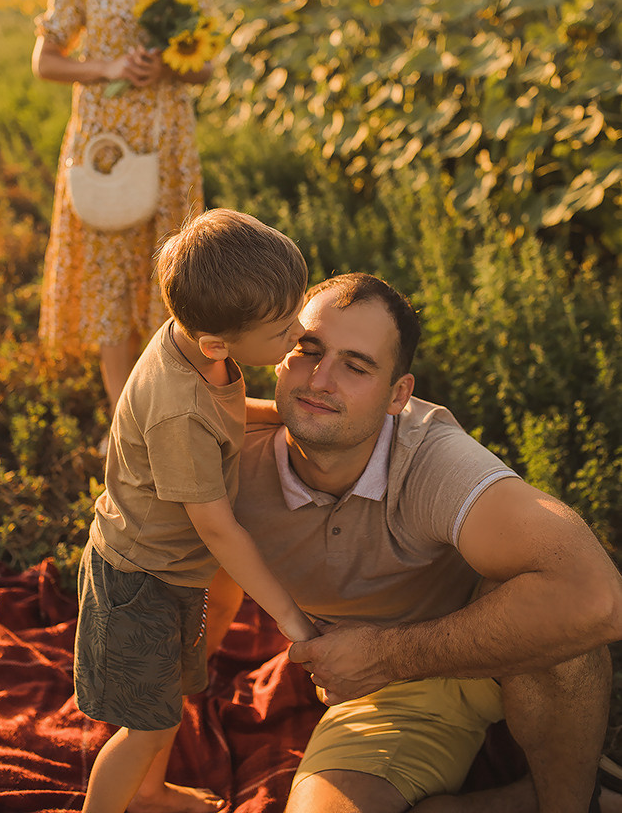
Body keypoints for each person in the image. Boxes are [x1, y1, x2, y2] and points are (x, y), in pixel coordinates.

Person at [215, 271, 622, 813]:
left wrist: (386, 656)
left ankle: (570, 805)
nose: (320, 379)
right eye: (307, 351)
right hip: (393, 699)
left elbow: (600, 598)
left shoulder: (430, 459)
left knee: (565, 633)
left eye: (356, 366)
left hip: (495, 649)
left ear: (397, 395)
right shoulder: (227, 457)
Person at [74, 209, 317, 813]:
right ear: (216, 342)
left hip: (170, 569)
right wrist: (287, 615)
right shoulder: (178, 410)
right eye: (283, 331)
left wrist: (285, 413)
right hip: (142, 580)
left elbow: (227, 413)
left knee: (166, 702)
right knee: (148, 728)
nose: (297, 338)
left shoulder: (200, 341)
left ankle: (150, 793)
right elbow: (216, 527)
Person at [32, 0, 215, 415]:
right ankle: (124, 425)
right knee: (111, 284)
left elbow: (206, 66)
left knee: (167, 276)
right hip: (105, 144)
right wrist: (107, 68)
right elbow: (46, 60)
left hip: (167, 143)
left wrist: (167, 64)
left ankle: (166, 413)